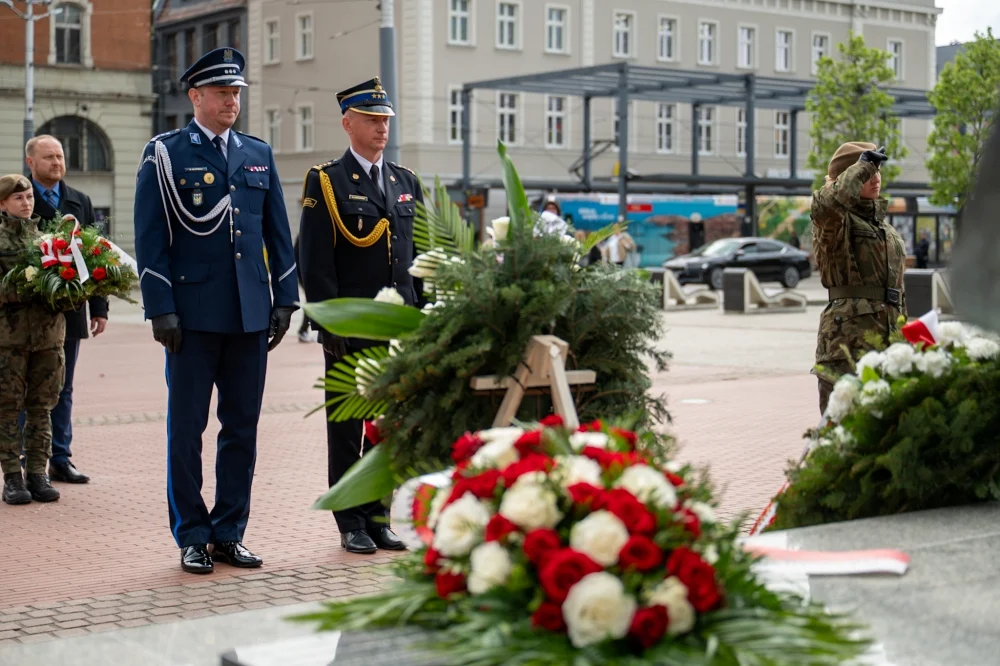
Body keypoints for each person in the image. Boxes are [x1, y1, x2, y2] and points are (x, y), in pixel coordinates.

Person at [133, 47, 298, 574]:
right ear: (196, 96)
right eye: (222, 92)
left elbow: (278, 232)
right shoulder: (166, 153)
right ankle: (192, 533)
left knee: (242, 428)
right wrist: (161, 308)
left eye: (237, 93)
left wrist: (285, 300)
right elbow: (151, 238)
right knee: (186, 431)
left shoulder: (257, 153)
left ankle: (229, 531)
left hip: (249, 314)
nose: (232, 101)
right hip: (192, 315)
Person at [298, 77, 417, 555]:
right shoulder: (325, 180)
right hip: (353, 327)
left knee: (390, 425)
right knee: (348, 426)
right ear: (348, 123)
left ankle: (379, 515)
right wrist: (329, 325)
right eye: (371, 120)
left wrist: (424, 320)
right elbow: (315, 260)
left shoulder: (406, 181)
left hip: (400, 329)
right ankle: (350, 520)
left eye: (385, 120)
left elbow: (420, 258)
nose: (381, 128)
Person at [22, 135, 108, 484]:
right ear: (31, 162)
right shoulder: (15, 197)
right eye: (49, 157)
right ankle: (25, 459)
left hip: (69, 313)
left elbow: (96, 256)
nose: (57, 163)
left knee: (62, 386)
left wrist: (99, 308)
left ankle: (60, 456)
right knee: (25, 388)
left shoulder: (79, 201)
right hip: (25, 314)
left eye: (60, 156)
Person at [812, 143, 906, 416]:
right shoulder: (835, 222)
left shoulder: (882, 226)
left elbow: (895, 290)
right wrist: (861, 167)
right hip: (848, 344)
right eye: (868, 172)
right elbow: (825, 205)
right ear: (848, 177)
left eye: (878, 170)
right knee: (842, 429)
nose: (875, 177)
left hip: (887, 340)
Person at [0, 174, 63, 505]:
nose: (26, 203)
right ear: (2, 204)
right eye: (18, 198)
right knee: (7, 408)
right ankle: (12, 476)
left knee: (42, 407)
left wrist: (71, 292)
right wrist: (22, 287)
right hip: (8, 340)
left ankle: (38, 472)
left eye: (28, 197)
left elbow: (66, 284)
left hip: (48, 338)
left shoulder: (48, 240)